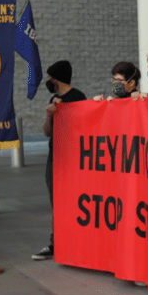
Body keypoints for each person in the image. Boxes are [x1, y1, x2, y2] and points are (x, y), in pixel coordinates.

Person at [33, 60, 87, 261]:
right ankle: (57, 242)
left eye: (50, 77)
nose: (48, 80)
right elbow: (47, 132)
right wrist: (49, 116)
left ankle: (76, 241)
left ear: (58, 78)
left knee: (73, 200)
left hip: (72, 157)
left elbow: (84, 127)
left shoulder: (77, 97)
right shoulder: (54, 98)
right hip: (54, 157)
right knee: (56, 201)